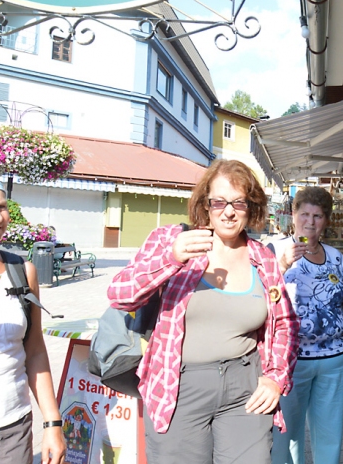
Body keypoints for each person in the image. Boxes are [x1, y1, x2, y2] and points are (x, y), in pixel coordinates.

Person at [107, 160, 299, 464]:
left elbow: (286, 323)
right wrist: (171, 259)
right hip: (178, 387)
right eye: (218, 201)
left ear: (253, 207)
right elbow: (120, 295)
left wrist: (275, 378)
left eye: (239, 202)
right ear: (205, 205)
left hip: (245, 387)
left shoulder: (263, 258)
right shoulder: (172, 241)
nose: (228, 211)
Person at [269, 187, 343, 464]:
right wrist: (282, 265)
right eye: (305, 214)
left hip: (335, 358)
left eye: (318, 216)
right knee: (286, 435)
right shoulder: (273, 250)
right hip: (290, 361)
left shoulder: (335, 256)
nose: (310, 222)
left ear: (326, 220)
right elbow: (261, 296)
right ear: (293, 215)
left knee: (329, 432)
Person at [0, 175, 65, 464]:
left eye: (2, 207)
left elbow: (34, 351)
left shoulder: (22, 271)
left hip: (11, 430)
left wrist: (52, 422)